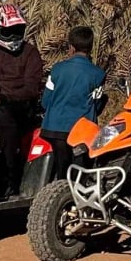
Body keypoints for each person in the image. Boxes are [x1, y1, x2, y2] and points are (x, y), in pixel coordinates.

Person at [0, 3, 45, 198]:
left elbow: (31, 89)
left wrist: (2, 98)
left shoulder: (30, 53)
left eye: (18, 30)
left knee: (3, 115)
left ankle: (11, 178)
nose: (14, 36)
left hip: (20, 109)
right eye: (8, 31)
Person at [40, 25, 105, 176]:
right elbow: (97, 105)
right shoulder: (98, 74)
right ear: (90, 47)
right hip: (82, 131)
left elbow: (45, 101)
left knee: (61, 171)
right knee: (79, 174)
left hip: (54, 128)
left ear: (71, 47)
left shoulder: (57, 69)